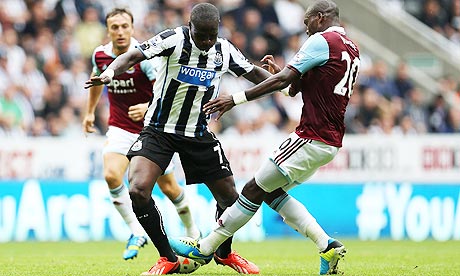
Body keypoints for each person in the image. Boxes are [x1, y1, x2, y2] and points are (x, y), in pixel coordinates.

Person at [169, 0, 360, 275]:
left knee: (251, 190)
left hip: (310, 135)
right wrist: (279, 75)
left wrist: (235, 99)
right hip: (329, 141)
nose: (305, 29)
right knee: (269, 192)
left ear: (320, 18)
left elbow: (284, 81)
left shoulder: (322, 40)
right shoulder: (351, 48)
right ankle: (326, 245)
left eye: (307, 23)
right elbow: (295, 88)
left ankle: (205, 249)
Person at [84, 3, 276, 275]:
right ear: (190, 27)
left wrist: (286, 82)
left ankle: (224, 253)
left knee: (231, 200)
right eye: (202, 36)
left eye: (213, 35)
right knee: (138, 190)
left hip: (197, 133)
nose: (208, 42)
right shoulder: (173, 39)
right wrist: (110, 72)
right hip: (159, 130)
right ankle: (167, 258)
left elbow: (256, 74)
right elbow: (133, 56)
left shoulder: (224, 50)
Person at [82, 8, 200, 261]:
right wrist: (90, 112)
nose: (120, 32)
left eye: (125, 26)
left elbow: (167, 86)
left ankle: (193, 230)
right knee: (111, 175)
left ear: (133, 28)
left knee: (169, 188)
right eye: (115, 27)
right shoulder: (101, 55)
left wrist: (148, 107)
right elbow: (97, 78)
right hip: (120, 128)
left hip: (152, 131)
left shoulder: (144, 57)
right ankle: (137, 231)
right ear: (108, 30)